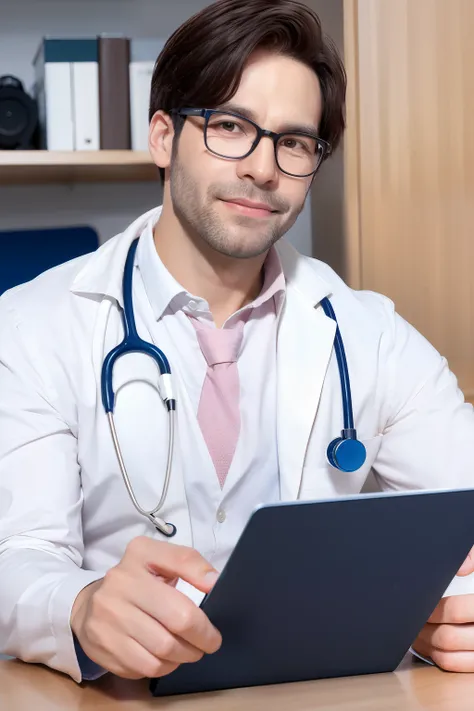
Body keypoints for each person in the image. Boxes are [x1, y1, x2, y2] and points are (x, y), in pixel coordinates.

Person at [0, 0, 473, 684]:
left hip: (321, 695)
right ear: (162, 137)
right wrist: (78, 603)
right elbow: (18, 555)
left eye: (295, 141)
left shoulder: (369, 335)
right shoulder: (36, 324)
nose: (263, 167)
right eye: (229, 126)